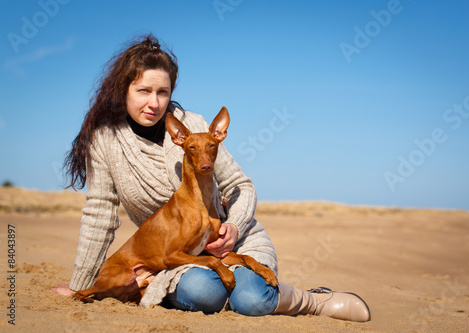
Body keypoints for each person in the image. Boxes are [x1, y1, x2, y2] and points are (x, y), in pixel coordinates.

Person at [53, 34, 370, 322]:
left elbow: (240, 186)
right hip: (179, 256)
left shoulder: (195, 125)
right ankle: (225, 293)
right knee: (202, 293)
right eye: (144, 91)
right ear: (124, 90)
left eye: (162, 92)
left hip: (235, 237)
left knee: (252, 299)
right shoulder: (106, 140)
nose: (154, 103)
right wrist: (81, 285)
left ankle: (311, 300)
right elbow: (99, 215)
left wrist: (234, 226)